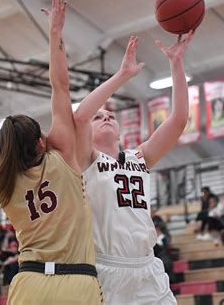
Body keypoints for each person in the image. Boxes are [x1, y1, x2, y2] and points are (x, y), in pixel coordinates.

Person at [0, 0, 102, 304]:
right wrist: (55, 33)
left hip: (29, 283)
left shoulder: (3, 179)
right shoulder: (61, 154)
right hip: (77, 281)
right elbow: (60, 85)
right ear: (40, 141)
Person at [74, 31, 194, 304]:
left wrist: (176, 63)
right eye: (99, 117)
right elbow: (79, 117)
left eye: (110, 116)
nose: (105, 118)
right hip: (107, 269)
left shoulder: (140, 158)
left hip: (148, 267)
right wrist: (122, 77)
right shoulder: (85, 159)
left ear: (119, 130)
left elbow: (178, 119)